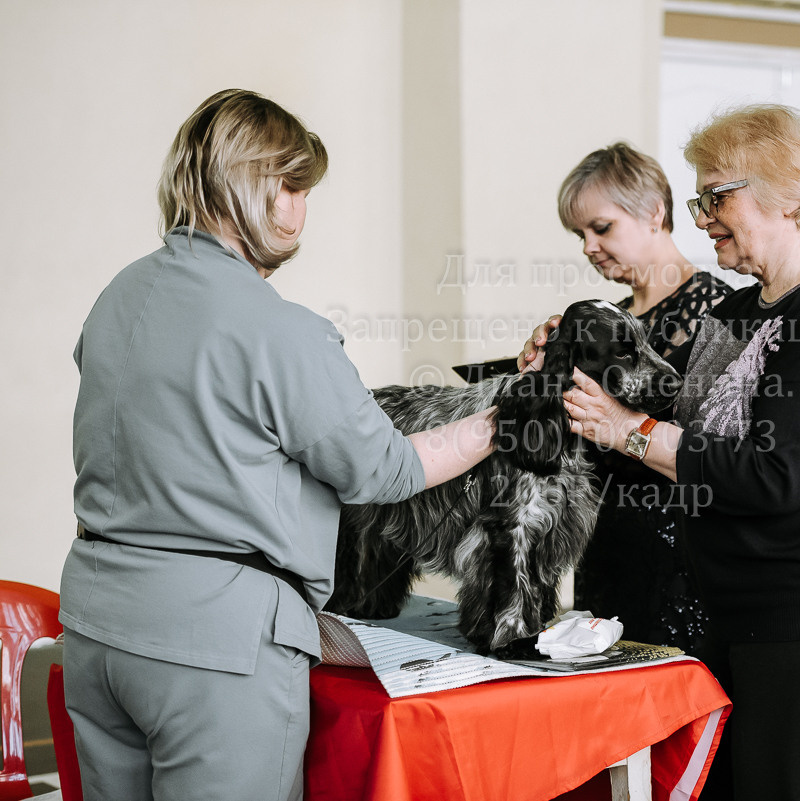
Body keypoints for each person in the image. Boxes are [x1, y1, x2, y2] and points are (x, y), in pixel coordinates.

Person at [61, 89, 496, 801]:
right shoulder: (281, 330)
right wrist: (499, 420)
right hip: (213, 646)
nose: (301, 209)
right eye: (293, 187)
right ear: (246, 186)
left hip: (96, 624)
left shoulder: (118, 296)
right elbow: (384, 471)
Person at [523, 104, 800, 800]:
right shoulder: (738, 312)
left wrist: (629, 427)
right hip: (734, 613)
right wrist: (565, 372)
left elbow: (774, 474)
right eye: (700, 200)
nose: (702, 219)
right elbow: (667, 443)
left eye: (716, 197)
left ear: (788, 195)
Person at [554, 142, 731, 651]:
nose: (588, 247)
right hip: (602, 544)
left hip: (676, 555)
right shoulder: (605, 322)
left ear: (654, 212)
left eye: (601, 228)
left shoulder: (718, 312)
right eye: (580, 235)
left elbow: (716, 452)